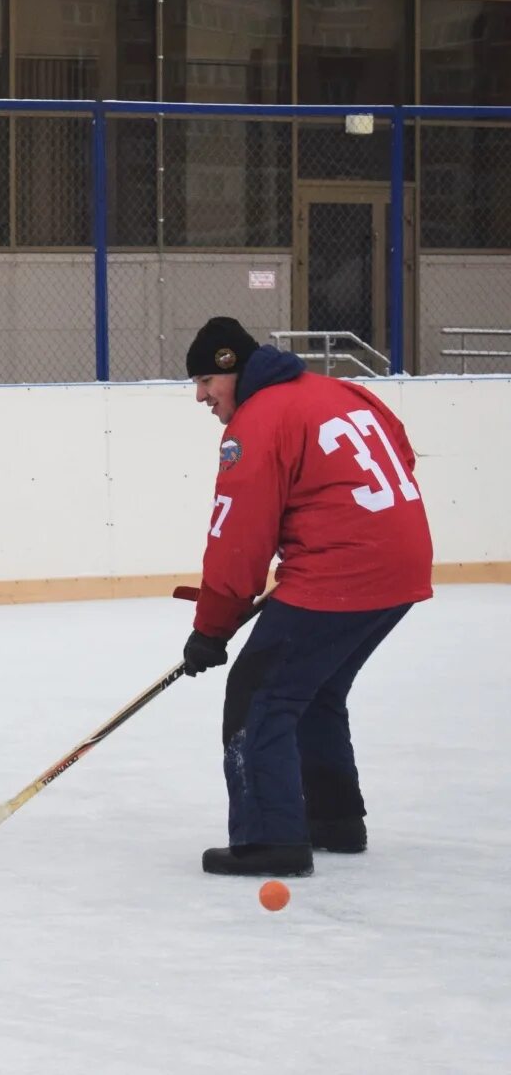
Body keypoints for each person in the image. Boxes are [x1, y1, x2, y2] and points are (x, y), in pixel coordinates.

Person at [179, 317, 433, 878]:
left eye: (204, 381)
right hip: (401, 564)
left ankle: (271, 838)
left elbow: (238, 537)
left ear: (231, 368)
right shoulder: (341, 390)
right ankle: (335, 821)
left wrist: (211, 629)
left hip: (343, 572)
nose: (200, 396)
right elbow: (401, 458)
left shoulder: (258, 421)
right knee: (312, 690)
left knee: (258, 694)